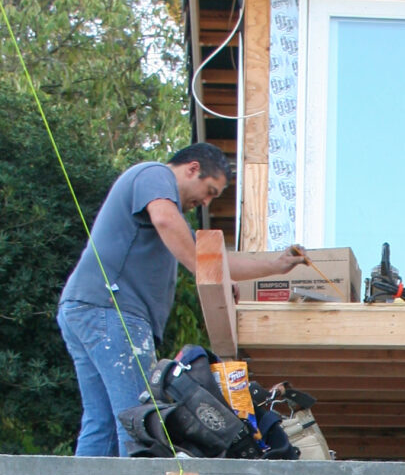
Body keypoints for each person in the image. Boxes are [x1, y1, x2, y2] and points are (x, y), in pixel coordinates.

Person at [58, 141, 307, 456]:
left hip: (89, 309)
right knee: (137, 420)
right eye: (210, 190)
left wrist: (276, 265)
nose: (205, 201)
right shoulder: (154, 175)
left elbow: (216, 263)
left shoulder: (173, 222)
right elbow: (170, 225)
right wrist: (211, 278)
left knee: (103, 421)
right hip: (113, 310)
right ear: (193, 169)